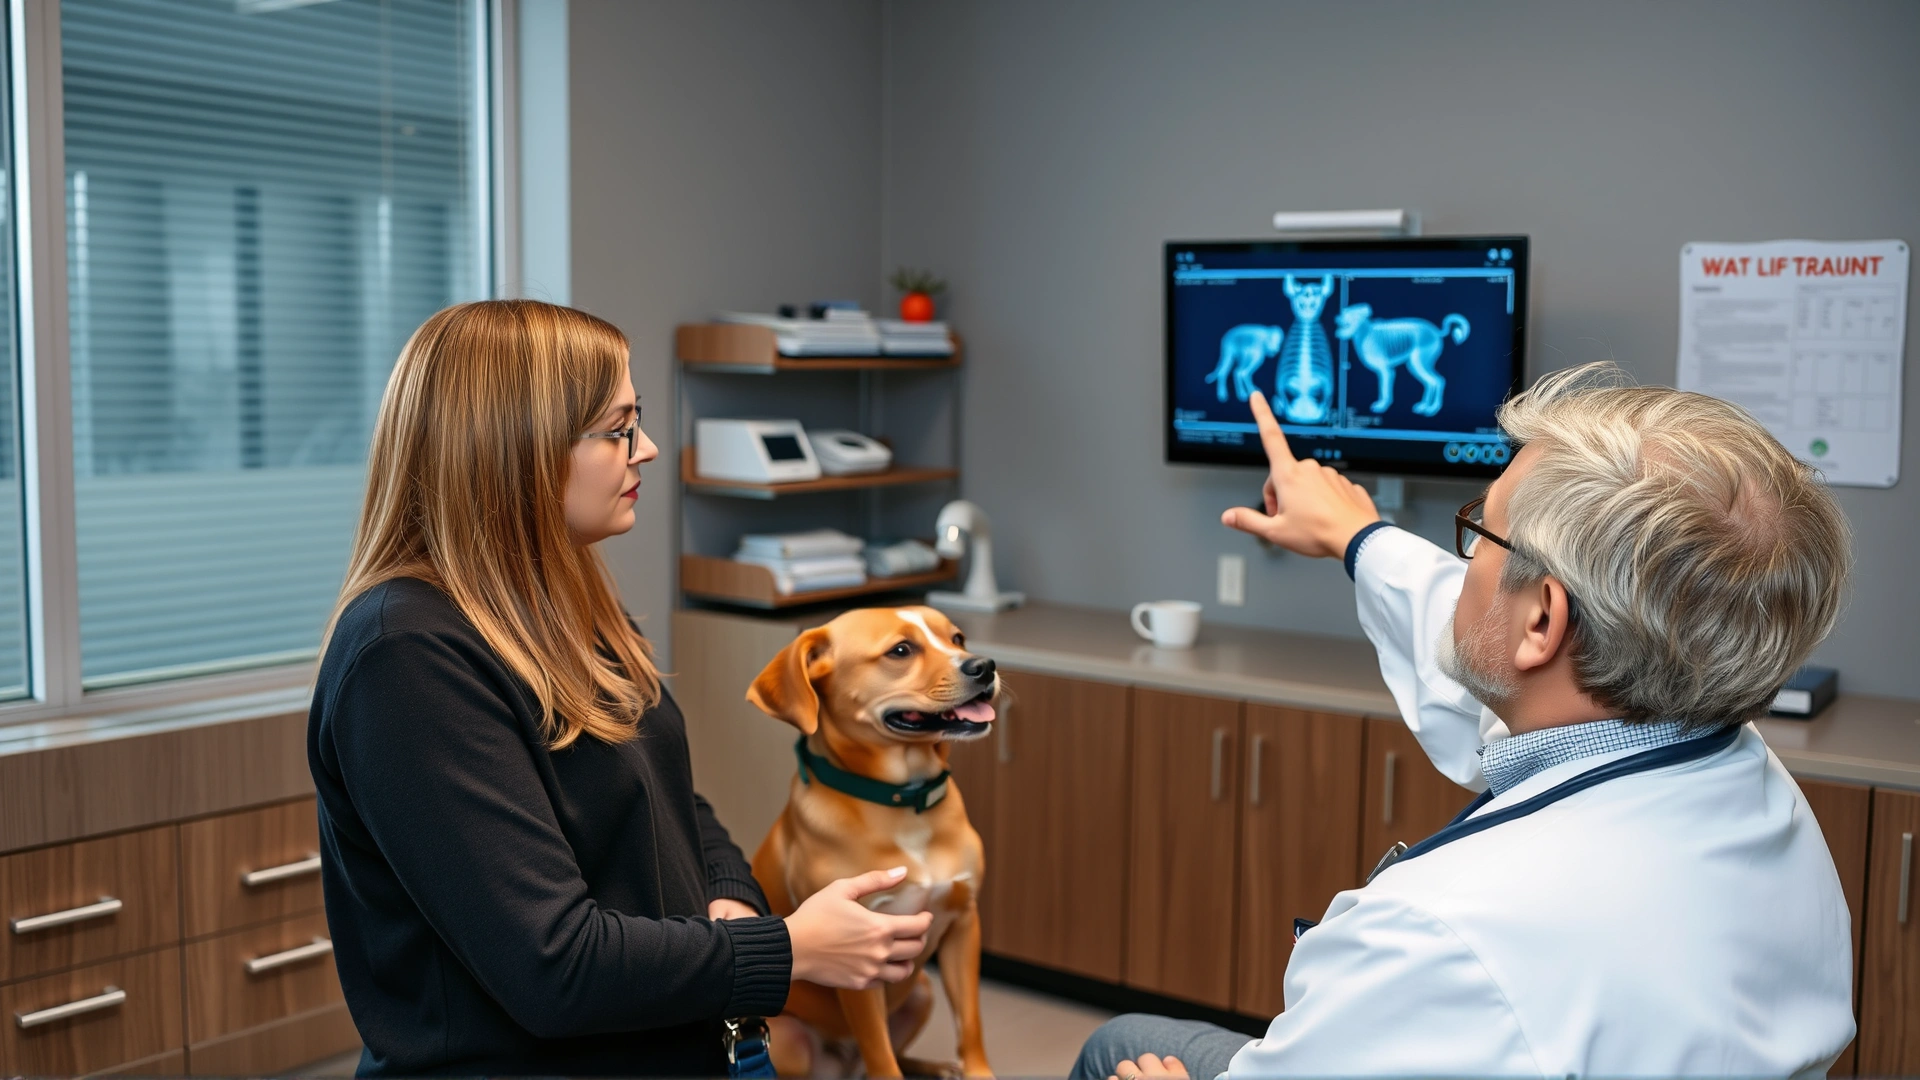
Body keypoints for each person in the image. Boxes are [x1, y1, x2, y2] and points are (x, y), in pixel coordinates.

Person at [1075, 363, 1856, 1078]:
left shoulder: (1438, 935)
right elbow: (1480, 659)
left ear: (1543, 620)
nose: (1461, 565)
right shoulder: (1752, 781)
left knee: (1121, 1044)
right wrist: (1359, 537)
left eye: (1481, 529)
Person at [308, 300, 933, 1077]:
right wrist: (789, 946)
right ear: (516, 449)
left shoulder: (564, 599)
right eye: (618, 429)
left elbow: (668, 799)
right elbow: (554, 965)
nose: (649, 449)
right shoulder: (405, 656)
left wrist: (731, 898)